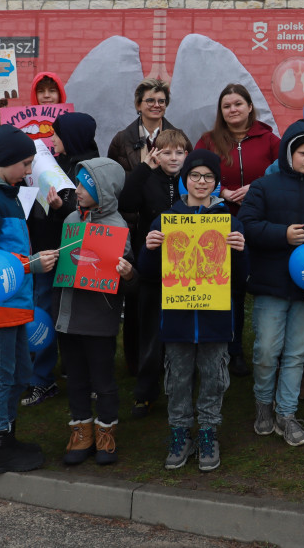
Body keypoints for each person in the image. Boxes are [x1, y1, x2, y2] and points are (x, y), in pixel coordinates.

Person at [137, 149, 247, 472]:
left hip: (215, 319)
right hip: (178, 319)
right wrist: (149, 248)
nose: (201, 182)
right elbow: (148, 272)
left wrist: (240, 252)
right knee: (178, 378)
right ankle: (180, 432)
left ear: (216, 182)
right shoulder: (166, 220)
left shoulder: (229, 221)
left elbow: (240, 280)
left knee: (214, 377)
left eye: (208, 177)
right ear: (186, 180)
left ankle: (209, 433)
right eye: (195, 176)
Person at [0, 125, 58, 472]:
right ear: (8, 161)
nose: (29, 171)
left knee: (20, 373)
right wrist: (30, 265)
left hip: (16, 301)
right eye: (26, 163)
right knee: (0, 376)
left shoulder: (7, 193)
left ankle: (8, 435)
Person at [238, 121, 304, 447]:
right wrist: (282, 234)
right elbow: (247, 227)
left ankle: (287, 413)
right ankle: (263, 404)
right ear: (288, 153)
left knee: (296, 354)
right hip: (270, 284)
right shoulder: (264, 187)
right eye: (302, 152)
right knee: (266, 350)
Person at [55, 158, 136, 465]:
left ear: (103, 190)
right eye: (77, 183)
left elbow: (127, 280)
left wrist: (127, 273)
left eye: (84, 185)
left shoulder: (118, 228)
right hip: (68, 315)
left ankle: (106, 431)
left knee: (103, 381)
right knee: (75, 378)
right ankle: (81, 432)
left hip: (99, 320)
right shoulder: (70, 221)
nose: (76, 190)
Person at [195, 83, 280, 377]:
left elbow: (284, 170)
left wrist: (255, 188)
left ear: (249, 107)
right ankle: (232, 351)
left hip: (260, 223)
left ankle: (267, 350)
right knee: (229, 292)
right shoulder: (208, 141)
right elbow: (194, 173)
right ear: (221, 112)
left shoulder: (269, 139)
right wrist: (224, 193)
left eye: (238, 104)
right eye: (227, 106)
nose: (233, 110)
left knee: (260, 288)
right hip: (219, 223)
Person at [19, 111, 95, 407]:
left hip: (73, 255)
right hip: (46, 251)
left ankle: (79, 376)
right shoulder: (56, 163)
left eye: (57, 134)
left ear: (72, 136)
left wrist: (62, 206)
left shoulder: (88, 168)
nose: (52, 139)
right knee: (45, 313)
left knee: (75, 317)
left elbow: (87, 215)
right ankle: (43, 378)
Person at [119, 128, 192, 417]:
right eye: (166, 152)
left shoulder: (194, 180)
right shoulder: (146, 178)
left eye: (179, 152)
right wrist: (144, 169)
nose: (173, 157)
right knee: (150, 331)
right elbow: (126, 203)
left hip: (186, 268)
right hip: (152, 266)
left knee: (183, 327)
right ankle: (146, 390)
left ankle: (183, 383)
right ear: (155, 154)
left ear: (187, 154)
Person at [107, 78, 180, 173]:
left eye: (161, 101)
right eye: (150, 100)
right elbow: (111, 176)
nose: (157, 105)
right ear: (138, 105)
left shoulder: (179, 137)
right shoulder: (121, 139)